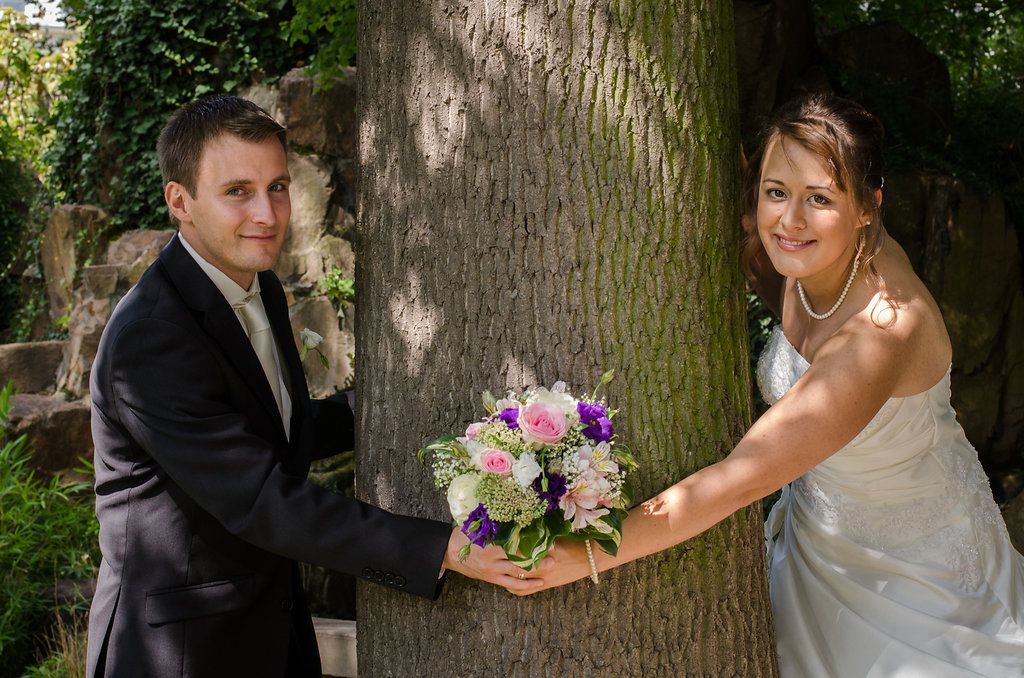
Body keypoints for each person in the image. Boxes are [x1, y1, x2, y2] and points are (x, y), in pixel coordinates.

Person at [531, 94, 1024, 676]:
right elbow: (769, 242)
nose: (789, 221)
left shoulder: (880, 336)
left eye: (820, 198)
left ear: (868, 206)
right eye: (776, 192)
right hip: (817, 541)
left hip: (918, 578)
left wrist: (581, 555)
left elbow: (737, 482)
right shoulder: (809, 252)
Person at [86, 94, 540, 678]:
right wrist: (444, 549)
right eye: (237, 192)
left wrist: (389, 409)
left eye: (276, 187)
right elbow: (257, 497)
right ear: (181, 201)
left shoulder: (258, 286)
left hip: (270, 630)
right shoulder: (150, 338)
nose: (268, 215)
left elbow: (279, 435)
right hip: (181, 651)